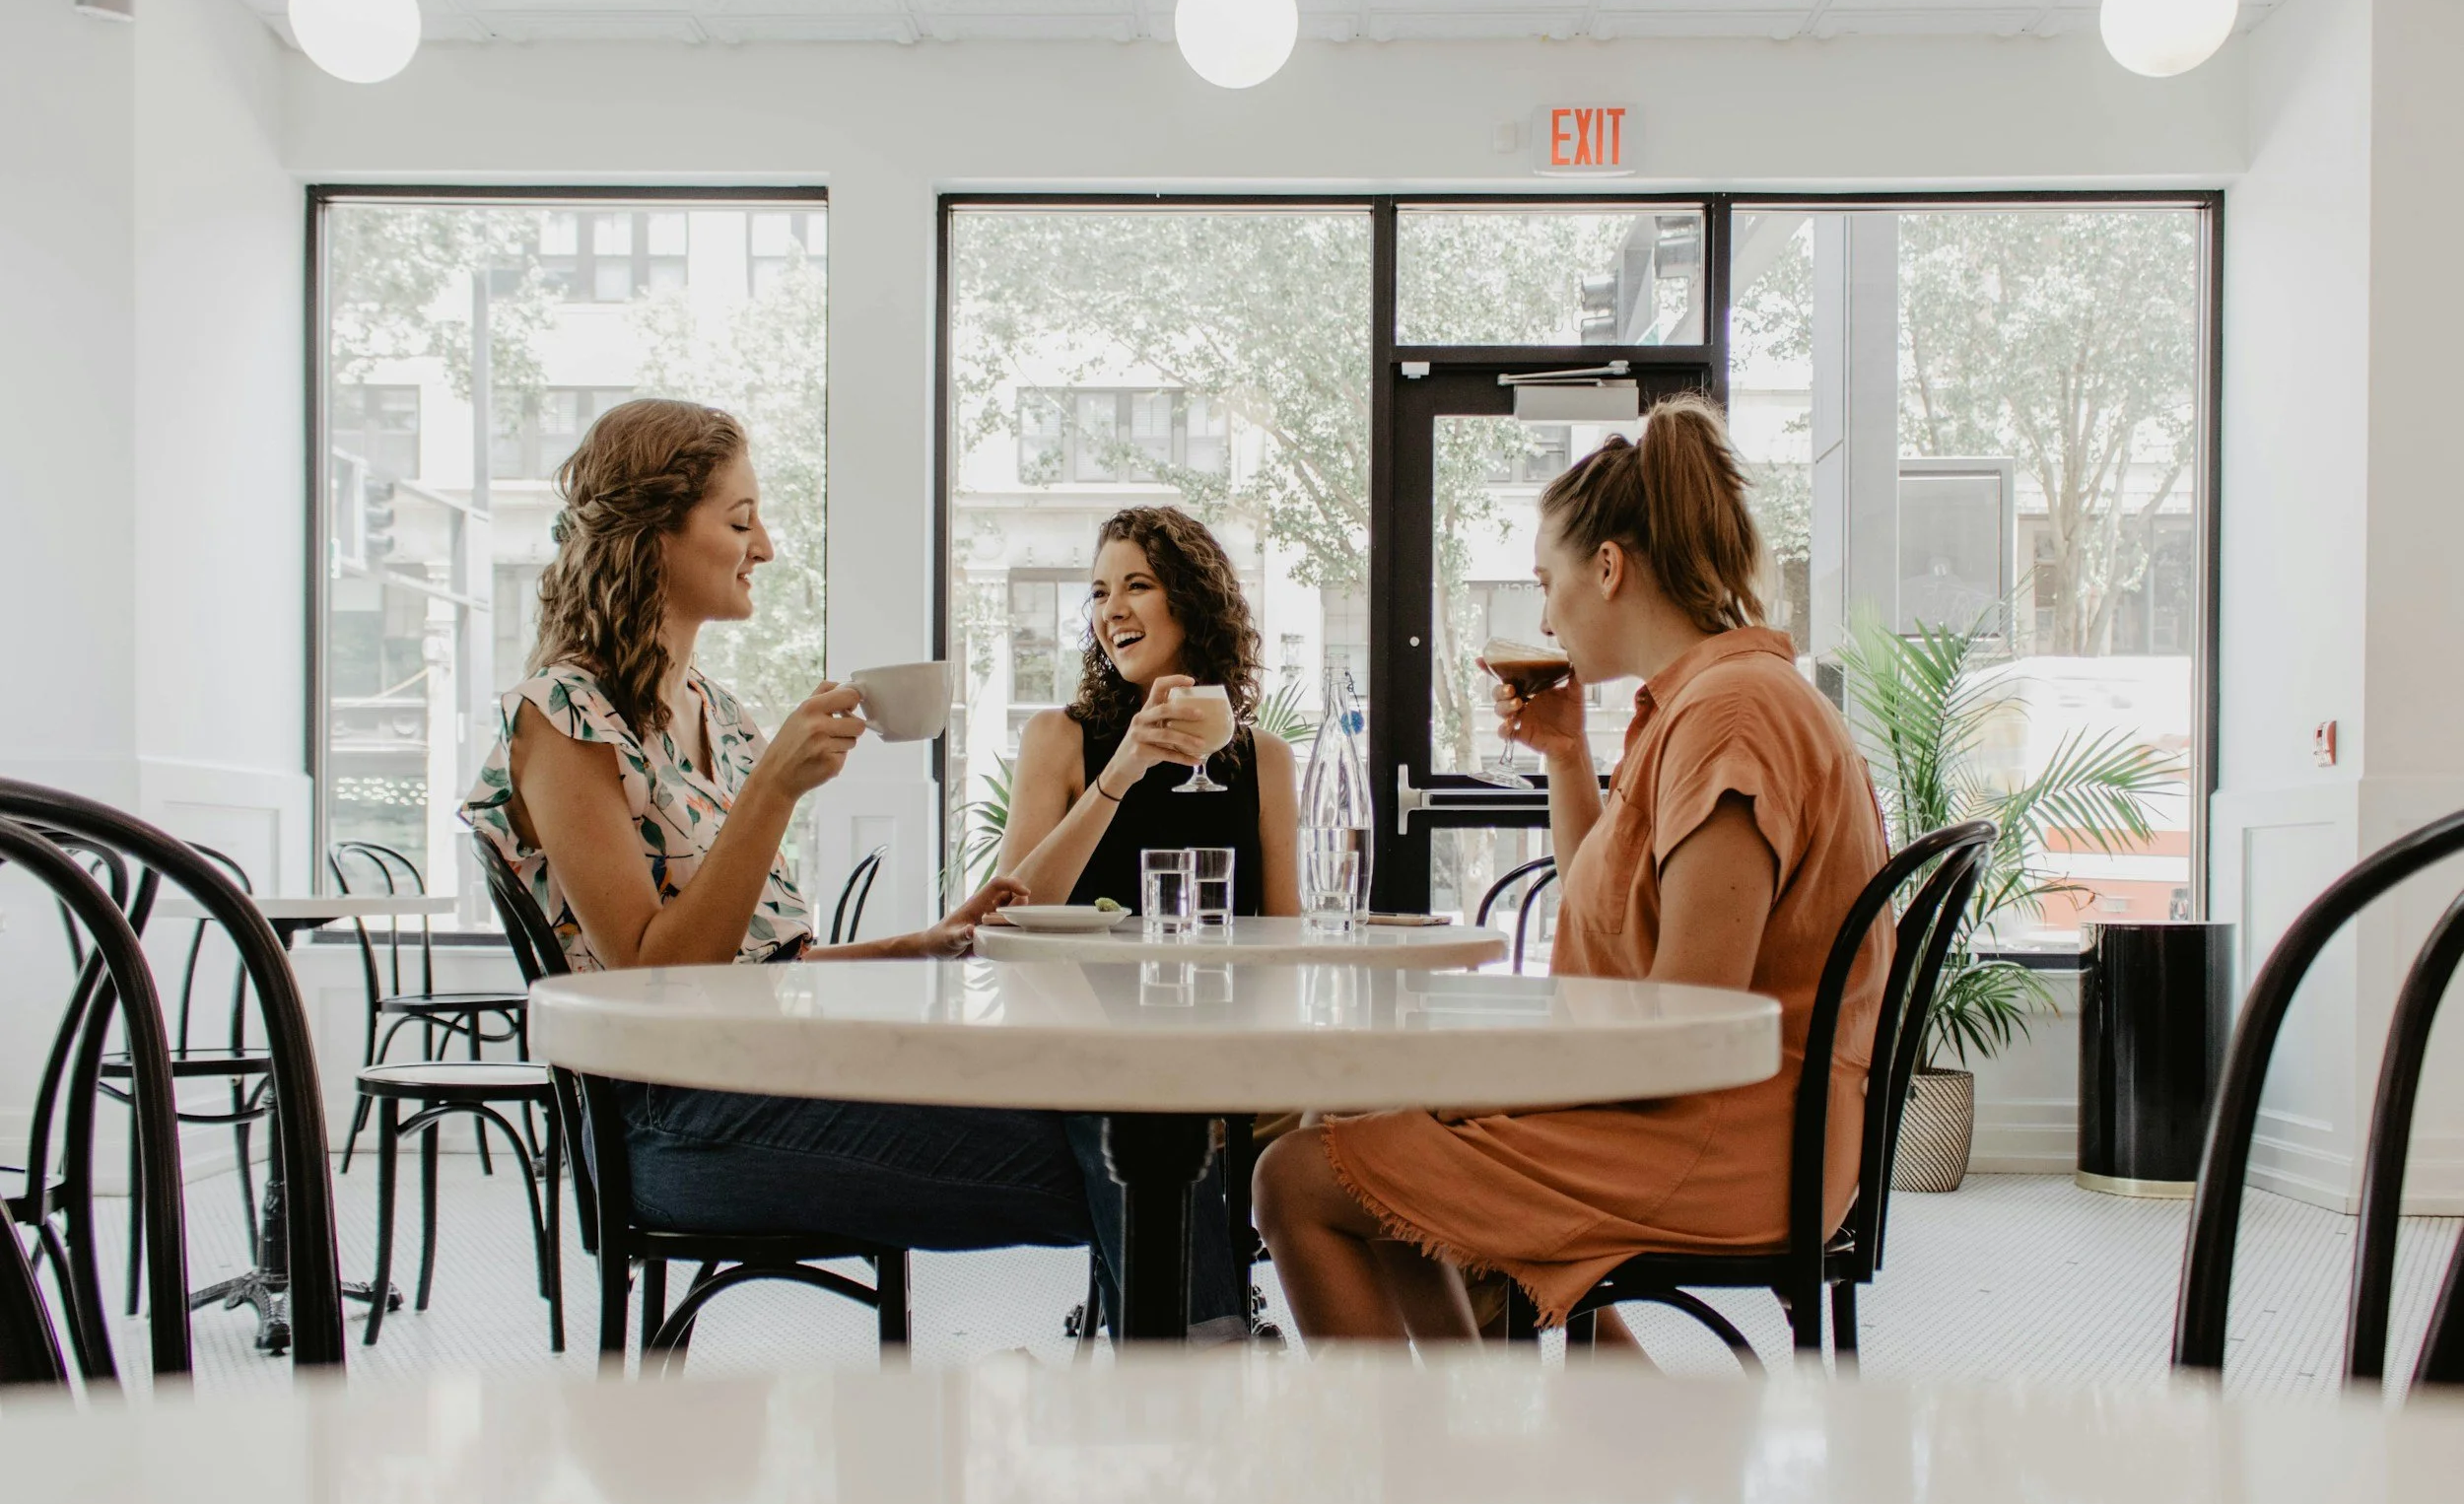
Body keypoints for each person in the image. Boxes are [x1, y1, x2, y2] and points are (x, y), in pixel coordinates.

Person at [460, 400, 1232, 1334]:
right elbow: (653, 978)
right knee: (1138, 1151)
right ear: (648, 533)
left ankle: (1176, 1397)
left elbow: (762, 975)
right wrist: (775, 792)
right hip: (673, 1124)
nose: (768, 545)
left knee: (1128, 1115)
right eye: (740, 521)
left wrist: (923, 944)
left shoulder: (722, 715)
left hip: (766, 1072)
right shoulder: (561, 717)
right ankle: (1195, 1404)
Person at [1253, 396, 1891, 1343]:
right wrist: (1562, 754)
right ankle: (1507, 1449)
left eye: (1545, 580)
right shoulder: (1699, 702)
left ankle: (1419, 1470)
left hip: (1736, 1139)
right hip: (1740, 1114)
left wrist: (1488, 1076)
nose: (1544, 611)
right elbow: (1609, 899)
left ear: (1608, 567)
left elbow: (1685, 1024)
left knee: (1294, 1179)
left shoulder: (1730, 717)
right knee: (1365, 1119)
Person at [997, 506, 1299, 917]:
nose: (1111, 610)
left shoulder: (1268, 759)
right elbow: (1005, 915)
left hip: (1227, 982)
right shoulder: (1056, 737)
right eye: (1100, 593)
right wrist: (1120, 771)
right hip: (1082, 982)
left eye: (1137, 586)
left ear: (1192, 603)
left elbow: (1285, 938)